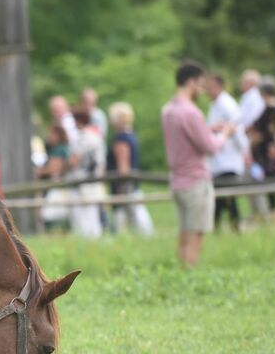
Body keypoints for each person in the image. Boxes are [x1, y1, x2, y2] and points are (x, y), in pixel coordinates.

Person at [161, 61, 236, 267]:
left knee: (184, 233)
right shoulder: (191, 112)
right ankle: (189, 275)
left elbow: (185, 138)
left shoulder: (168, 110)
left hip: (177, 180)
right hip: (195, 181)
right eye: (200, 84)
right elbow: (210, 147)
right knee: (196, 235)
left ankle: (181, 273)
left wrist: (208, 128)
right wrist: (225, 134)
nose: (202, 89)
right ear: (191, 82)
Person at [203, 73, 250, 231]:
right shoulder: (215, 104)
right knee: (221, 198)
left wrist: (244, 151)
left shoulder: (226, 104)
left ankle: (228, 227)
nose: (206, 90)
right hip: (219, 159)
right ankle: (223, 228)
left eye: (209, 87)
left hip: (228, 159)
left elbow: (237, 128)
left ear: (218, 86)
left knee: (226, 197)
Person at [106, 101, 153, 234]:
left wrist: (120, 190)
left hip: (124, 186)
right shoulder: (131, 135)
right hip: (131, 185)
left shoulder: (121, 139)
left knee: (128, 217)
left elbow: (123, 167)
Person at [250, 77, 275, 220]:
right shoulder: (274, 108)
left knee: (270, 177)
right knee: (268, 177)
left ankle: (272, 211)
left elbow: (274, 128)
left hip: (268, 149)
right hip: (267, 148)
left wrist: (261, 137)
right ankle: (268, 211)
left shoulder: (272, 108)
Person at [68, 107, 106, 238]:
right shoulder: (94, 135)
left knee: (86, 216)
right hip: (91, 180)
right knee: (90, 214)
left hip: (87, 180)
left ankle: (90, 239)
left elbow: (75, 160)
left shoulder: (86, 137)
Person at [35, 124, 71, 231]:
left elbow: (54, 168)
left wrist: (39, 171)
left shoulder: (60, 150)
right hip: (52, 186)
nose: (49, 136)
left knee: (50, 214)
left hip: (54, 186)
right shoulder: (56, 149)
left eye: (52, 134)